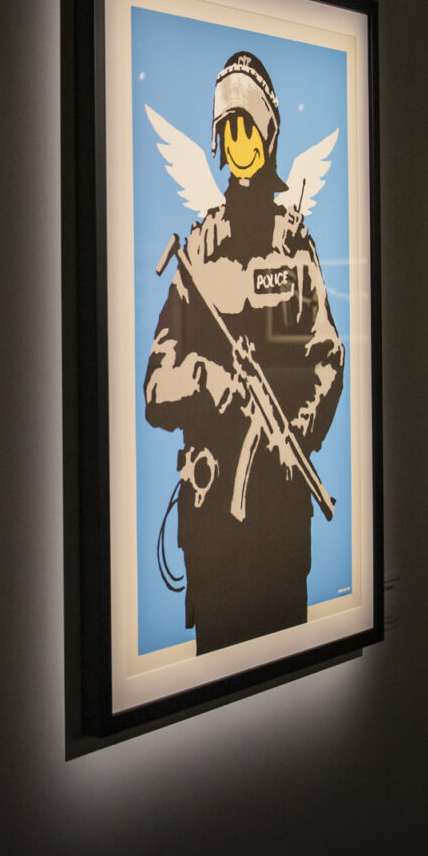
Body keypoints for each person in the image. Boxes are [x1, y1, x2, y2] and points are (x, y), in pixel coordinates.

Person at [144, 51, 344, 653]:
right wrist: (209, 382)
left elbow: (328, 358)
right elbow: (156, 385)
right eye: (228, 133)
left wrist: (298, 429)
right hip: (214, 529)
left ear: (269, 134)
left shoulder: (295, 246)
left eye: (248, 130)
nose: (239, 145)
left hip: (281, 524)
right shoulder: (200, 249)